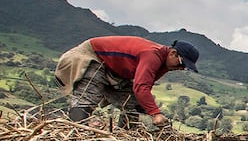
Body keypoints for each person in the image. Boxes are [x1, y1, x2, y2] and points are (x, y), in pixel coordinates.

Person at [55, 36, 200, 127]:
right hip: (93, 57)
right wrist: (155, 114)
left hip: (113, 71)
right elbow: (141, 87)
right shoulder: (152, 56)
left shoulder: (164, 64)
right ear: (173, 53)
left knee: (131, 104)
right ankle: (75, 136)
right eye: (181, 63)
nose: (180, 68)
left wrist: (149, 109)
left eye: (184, 67)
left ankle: (126, 135)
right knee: (87, 99)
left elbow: (140, 90)